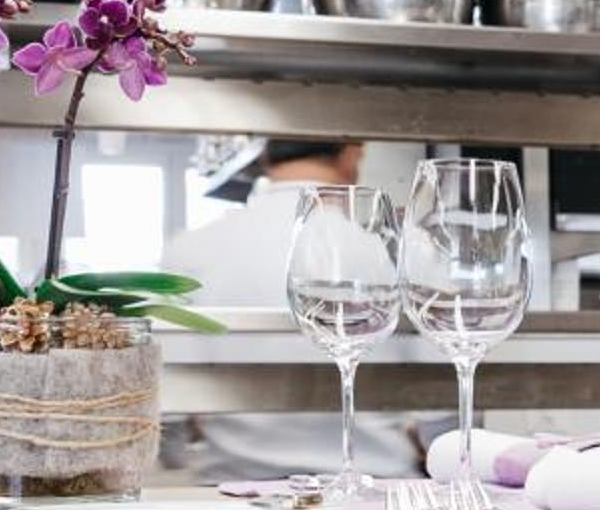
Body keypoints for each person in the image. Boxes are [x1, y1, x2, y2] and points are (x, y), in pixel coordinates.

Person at [161, 140, 421, 483]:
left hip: (235, 486)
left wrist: (175, 457)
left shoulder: (189, 247)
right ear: (352, 154)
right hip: (377, 483)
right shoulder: (383, 244)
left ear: (265, 159)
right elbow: (438, 397)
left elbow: (169, 398)